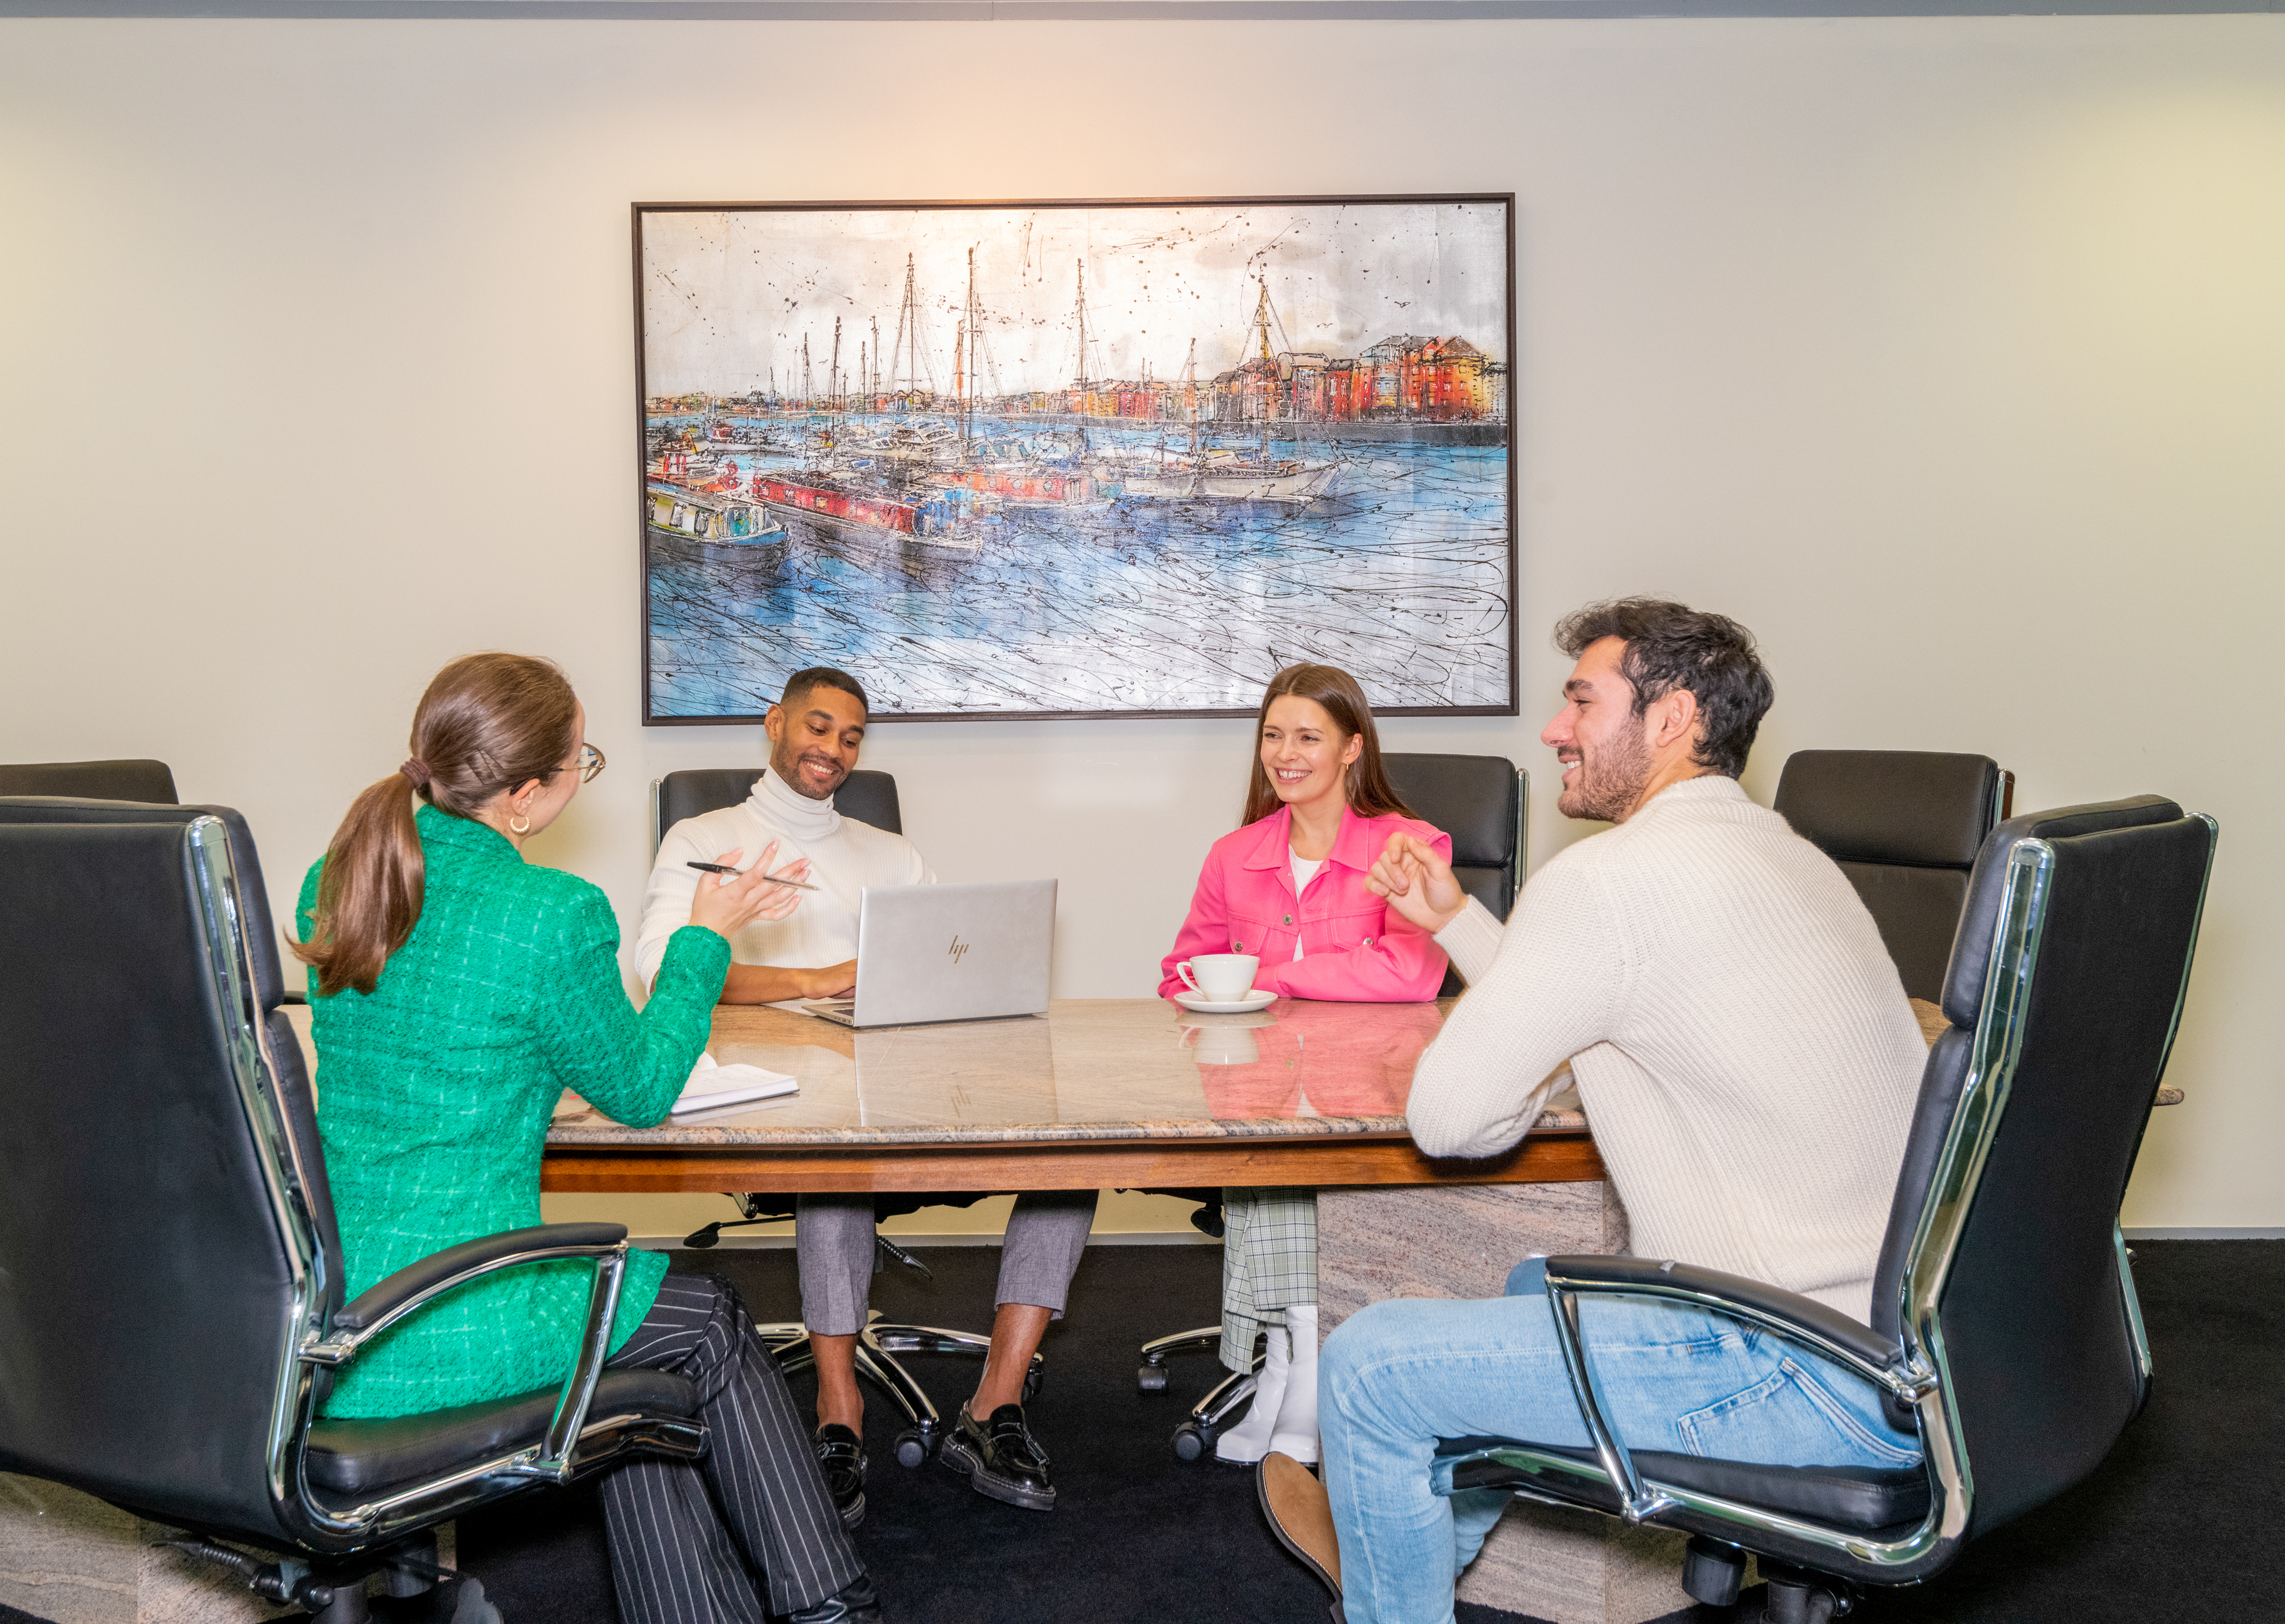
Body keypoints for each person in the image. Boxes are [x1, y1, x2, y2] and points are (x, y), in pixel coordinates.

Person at [1298, 600, 1928, 1624]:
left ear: (1673, 718)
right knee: (1532, 1286)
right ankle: (1403, 1565)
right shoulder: (1795, 860)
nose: (1555, 729)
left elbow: (1452, 1118)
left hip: (1792, 1374)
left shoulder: (1606, 882)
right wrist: (1457, 921)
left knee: (1369, 1370)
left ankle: (1390, 1582)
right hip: (1902, 1356)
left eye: (1582, 702)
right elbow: (1618, 1012)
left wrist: (1485, 1029)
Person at [292, 652, 880, 1624]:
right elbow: (642, 1089)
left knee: (645, 1368)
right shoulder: (551, 914)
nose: (583, 775)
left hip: (331, 1306)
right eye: (582, 759)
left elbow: (443, 1037)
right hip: (460, 1310)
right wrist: (706, 934)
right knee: (710, 1322)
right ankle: (832, 1606)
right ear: (526, 796)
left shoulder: (340, 878)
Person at [637, 666, 1094, 1520]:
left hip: (899, 1080)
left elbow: (942, 969)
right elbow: (664, 969)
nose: (834, 749)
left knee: (1071, 1153)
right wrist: (818, 979)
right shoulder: (706, 836)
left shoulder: (891, 854)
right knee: (837, 1160)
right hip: (776, 1096)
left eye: (850, 737)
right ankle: (838, 1407)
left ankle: (995, 1403)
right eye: (818, 727)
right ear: (774, 723)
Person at [1158, 663, 1450, 1468]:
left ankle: (1301, 1367)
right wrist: (1225, 986)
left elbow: (1412, 973)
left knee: (1299, 1151)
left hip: (1369, 1088)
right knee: (1270, 1138)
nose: (1285, 754)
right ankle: (1290, 1361)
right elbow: (1180, 973)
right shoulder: (1235, 854)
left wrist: (1275, 975)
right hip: (1258, 1082)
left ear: (1353, 747)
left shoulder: (1409, 845)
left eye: (1308, 737)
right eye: (1273, 736)